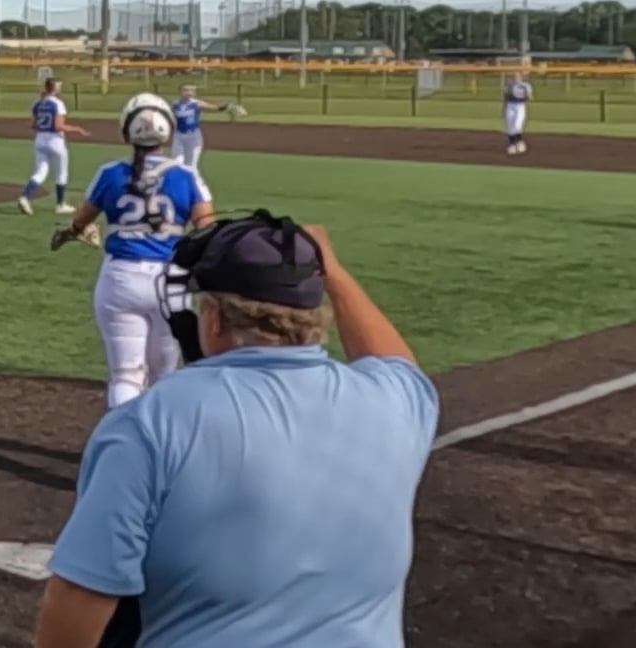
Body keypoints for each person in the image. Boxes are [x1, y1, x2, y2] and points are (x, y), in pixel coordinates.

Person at [33, 214, 439, 648]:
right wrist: (336, 276)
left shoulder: (151, 421)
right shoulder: (398, 402)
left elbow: (77, 604)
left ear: (214, 319)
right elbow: (397, 363)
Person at [54, 94, 214, 408]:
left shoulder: (110, 173)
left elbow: (81, 221)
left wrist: (72, 232)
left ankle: (123, 435)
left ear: (126, 130)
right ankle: (160, 437)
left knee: (125, 376)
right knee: (164, 376)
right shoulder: (187, 175)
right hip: (171, 281)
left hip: (120, 277)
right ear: (168, 130)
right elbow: (208, 231)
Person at [18, 78, 89, 215]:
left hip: (40, 139)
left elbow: (33, 124)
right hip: (55, 140)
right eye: (59, 86)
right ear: (55, 88)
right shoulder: (58, 104)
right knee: (61, 172)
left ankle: (25, 197)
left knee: (40, 172)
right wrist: (78, 129)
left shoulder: (38, 103)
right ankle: (60, 204)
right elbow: (58, 126)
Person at [168, 84, 230, 170]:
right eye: (186, 90)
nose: (189, 93)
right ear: (180, 92)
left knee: (190, 166)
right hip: (178, 136)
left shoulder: (197, 103)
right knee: (177, 162)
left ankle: (194, 178)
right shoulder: (174, 104)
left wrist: (228, 107)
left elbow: (216, 108)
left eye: (192, 91)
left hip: (193, 137)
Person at [503, 70, 533, 155]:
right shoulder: (509, 85)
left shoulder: (525, 85)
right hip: (510, 106)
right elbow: (506, 97)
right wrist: (504, 107)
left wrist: (527, 97)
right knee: (510, 127)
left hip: (520, 106)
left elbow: (530, 97)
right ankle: (512, 145)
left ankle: (520, 142)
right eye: (514, 76)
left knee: (517, 126)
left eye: (517, 76)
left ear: (521, 77)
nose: (516, 77)